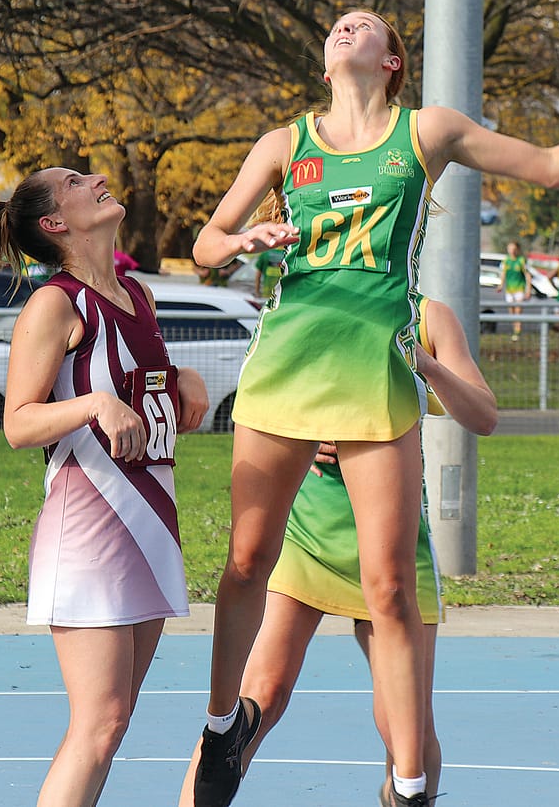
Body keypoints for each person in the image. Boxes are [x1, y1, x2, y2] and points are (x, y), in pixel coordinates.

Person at [189, 6, 559, 807]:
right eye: (337, 25)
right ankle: (220, 720)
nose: (345, 28)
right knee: (243, 564)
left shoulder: (426, 131)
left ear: (394, 60)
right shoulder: (283, 144)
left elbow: (550, 166)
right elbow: (205, 242)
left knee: (392, 589)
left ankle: (410, 785)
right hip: (287, 366)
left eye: (363, 23)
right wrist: (237, 244)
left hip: (371, 370)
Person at [177, 295, 496, 807]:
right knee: (261, 695)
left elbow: (484, 416)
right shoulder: (297, 307)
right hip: (309, 529)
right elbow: (264, 407)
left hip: (392, 544)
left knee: (404, 726)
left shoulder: (428, 316)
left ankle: (411, 795)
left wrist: (425, 363)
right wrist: (311, 431)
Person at [0, 169, 210, 807]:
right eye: (78, 182)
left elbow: (142, 386)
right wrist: (91, 405)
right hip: (90, 529)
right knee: (97, 725)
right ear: (55, 224)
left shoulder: (136, 294)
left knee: (111, 726)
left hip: (150, 526)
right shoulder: (55, 303)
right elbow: (18, 422)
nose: (100, 178)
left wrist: (183, 375)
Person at [498, 239, 528, 340]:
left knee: (518, 311)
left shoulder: (521, 260)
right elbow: (503, 274)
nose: (512, 251)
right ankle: (515, 330)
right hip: (509, 290)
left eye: (514, 249)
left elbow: (527, 275)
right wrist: (501, 285)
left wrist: (528, 289)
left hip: (519, 288)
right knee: (511, 312)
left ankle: (517, 332)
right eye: (510, 249)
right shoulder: (506, 260)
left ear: (518, 250)